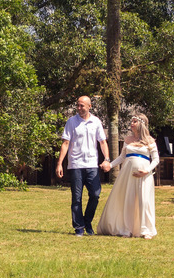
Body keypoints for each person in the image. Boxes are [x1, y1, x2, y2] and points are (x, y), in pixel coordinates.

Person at [56, 95, 111, 236]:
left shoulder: (96, 122)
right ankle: (79, 228)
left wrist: (107, 159)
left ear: (89, 106)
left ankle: (87, 221)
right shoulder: (71, 122)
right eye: (78, 105)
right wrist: (60, 163)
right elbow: (65, 143)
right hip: (76, 165)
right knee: (77, 198)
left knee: (95, 195)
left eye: (82, 105)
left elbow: (102, 142)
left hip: (92, 165)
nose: (79, 108)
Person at [97, 113, 158, 239]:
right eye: (131, 121)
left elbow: (156, 159)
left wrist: (147, 170)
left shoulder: (150, 141)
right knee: (128, 201)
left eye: (135, 121)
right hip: (127, 174)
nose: (132, 124)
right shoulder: (127, 140)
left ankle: (145, 230)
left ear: (141, 124)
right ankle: (126, 229)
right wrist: (110, 165)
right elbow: (122, 157)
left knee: (143, 201)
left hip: (143, 175)